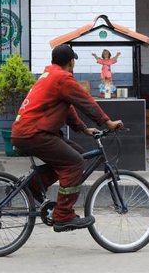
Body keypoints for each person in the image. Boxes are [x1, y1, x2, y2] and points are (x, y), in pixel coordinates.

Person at [11, 44, 123, 232]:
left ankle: (32, 187)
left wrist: (84, 129)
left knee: (78, 153)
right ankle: (63, 215)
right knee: (74, 163)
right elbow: (85, 101)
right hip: (34, 134)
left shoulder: (49, 75)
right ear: (71, 62)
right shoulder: (62, 78)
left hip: (30, 132)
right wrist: (107, 122)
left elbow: (69, 108)